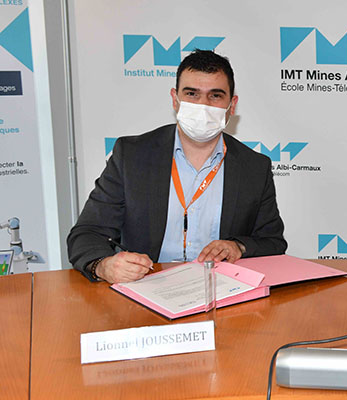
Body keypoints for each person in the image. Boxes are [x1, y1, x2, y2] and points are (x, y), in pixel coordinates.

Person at [67, 48, 287, 282]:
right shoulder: (131, 156)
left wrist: (238, 246)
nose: (203, 105)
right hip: (146, 287)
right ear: (175, 99)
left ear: (231, 105)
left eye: (215, 96)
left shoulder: (254, 167)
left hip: (221, 289)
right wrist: (104, 266)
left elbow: (272, 242)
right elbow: (87, 234)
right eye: (192, 94)